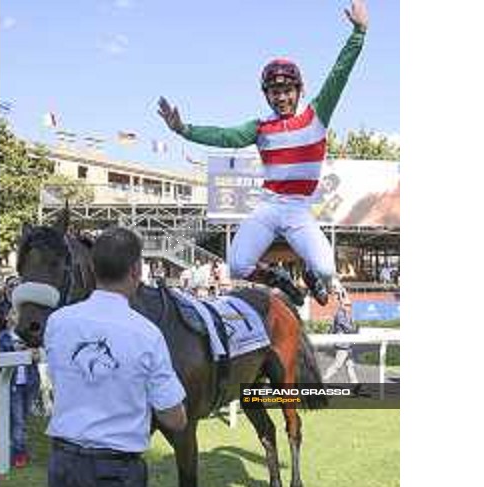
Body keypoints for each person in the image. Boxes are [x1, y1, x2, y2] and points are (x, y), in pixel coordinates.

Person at [157, 1, 368, 306]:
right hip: (268, 208)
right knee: (237, 266)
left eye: (287, 90)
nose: (281, 97)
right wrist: (183, 129)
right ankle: (278, 279)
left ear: (299, 90)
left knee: (325, 269)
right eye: (274, 92)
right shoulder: (260, 127)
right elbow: (224, 135)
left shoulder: (317, 114)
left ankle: (309, 273)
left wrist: (358, 33)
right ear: (267, 95)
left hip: (298, 210)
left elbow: (340, 74)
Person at [44, 226, 188, 487]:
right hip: (117, 470)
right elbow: (175, 418)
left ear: (92, 267)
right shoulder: (146, 333)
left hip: (65, 463)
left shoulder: (59, 323)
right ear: (137, 271)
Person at [0, 309, 41, 468]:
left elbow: (38, 356)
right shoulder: (2, 337)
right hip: (13, 384)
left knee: (23, 419)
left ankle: (19, 450)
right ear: (7, 317)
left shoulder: (29, 336)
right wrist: (14, 351)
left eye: (19, 314)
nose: (17, 317)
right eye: (14, 313)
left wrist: (35, 353)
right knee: (17, 420)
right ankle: (18, 453)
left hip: (30, 382)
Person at [322, 295, 361, 392]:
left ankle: (355, 384)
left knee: (350, 365)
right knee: (337, 365)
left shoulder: (348, 314)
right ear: (341, 305)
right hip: (342, 344)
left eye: (350, 305)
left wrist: (355, 330)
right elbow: (346, 327)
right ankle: (323, 381)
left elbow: (352, 328)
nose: (349, 307)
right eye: (346, 305)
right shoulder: (340, 314)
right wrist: (355, 330)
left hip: (348, 344)